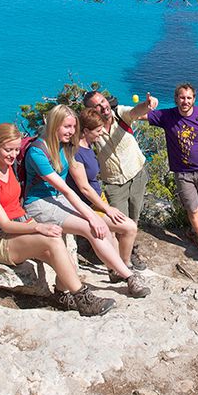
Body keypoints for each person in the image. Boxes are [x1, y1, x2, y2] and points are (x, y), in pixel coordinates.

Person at [0, 123, 115, 316]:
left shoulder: (9, 167)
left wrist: (38, 226)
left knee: (64, 256)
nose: (13, 155)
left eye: (16, 149)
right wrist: (39, 227)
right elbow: (4, 224)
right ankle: (83, 299)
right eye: (8, 149)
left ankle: (61, 296)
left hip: (21, 226)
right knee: (53, 239)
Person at [24, 104, 150, 298]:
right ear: (54, 125)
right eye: (67, 127)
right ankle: (129, 277)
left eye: (73, 127)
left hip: (59, 199)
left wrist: (96, 215)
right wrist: (93, 216)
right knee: (91, 228)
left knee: (110, 226)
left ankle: (122, 271)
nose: (71, 131)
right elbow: (66, 190)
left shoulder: (63, 146)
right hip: (39, 203)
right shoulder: (37, 152)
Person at [145, 83, 198, 266]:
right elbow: (137, 116)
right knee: (193, 209)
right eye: (182, 97)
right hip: (183, 174)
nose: (185, 101)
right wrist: (145, 105)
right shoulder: (167, 116)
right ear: (176, 99)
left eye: (189, 98)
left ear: (194, 99)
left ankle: (193, 232)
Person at [82, 89, 158, 269]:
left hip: (137, 175)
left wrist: (146, 106)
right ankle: (120, 262)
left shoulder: (119, 114)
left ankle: (130, 252)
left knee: (134, 218)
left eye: (103, 101)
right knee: (120, 225)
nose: (103, 106)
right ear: (91, 112)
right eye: (97, 106)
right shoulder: (92, 131)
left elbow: (135, 112)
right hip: (114, 183)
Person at [67, 107, 140, 271]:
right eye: (98, 130)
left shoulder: (88, 145)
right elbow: (84, 188)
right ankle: (125, 266)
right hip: (89, 204)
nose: (101, 134)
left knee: (114, 236)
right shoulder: (76, 152)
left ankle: (116, 269)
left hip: (98, 199)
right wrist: (107, 209)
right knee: (129, 228)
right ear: (85, 130)